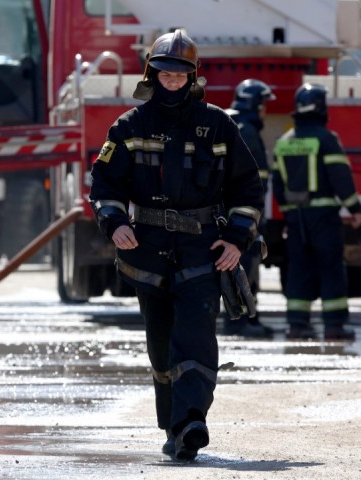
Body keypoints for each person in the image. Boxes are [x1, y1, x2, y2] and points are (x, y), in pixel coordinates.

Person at [89, 30, 264, 460]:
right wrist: (113, 223)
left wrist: (237, 239)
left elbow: (247, 187)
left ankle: (192, 421)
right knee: (161, 342)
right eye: (166, 71)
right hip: (147, 250)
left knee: (195, 335)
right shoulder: (129, 126)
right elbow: (105, 184)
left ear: (193, 76)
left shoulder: (219, 124)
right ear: (153, 71)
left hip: (203, 250)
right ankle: (173, 426)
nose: (173, 79)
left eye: (181, 72)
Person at [272, 83, 361, 341]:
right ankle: (334, 326)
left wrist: (289, 214)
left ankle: (297, 325)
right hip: (323, 218)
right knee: (331, 268)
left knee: (299, 269)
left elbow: (278, 185)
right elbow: (340, 178)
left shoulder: (284, 142)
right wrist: (355, 209)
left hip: (296, 218)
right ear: (322, 108)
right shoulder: (326, 139)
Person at [222, 79, 276, 338]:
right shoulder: (247, 130)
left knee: (244, 265)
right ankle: (239, 321)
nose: (265, 110)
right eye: (263, 104)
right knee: (243, 266)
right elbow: (254, 180)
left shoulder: (233, 124)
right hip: (242, 214)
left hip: (234, 212)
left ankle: (247, 318)